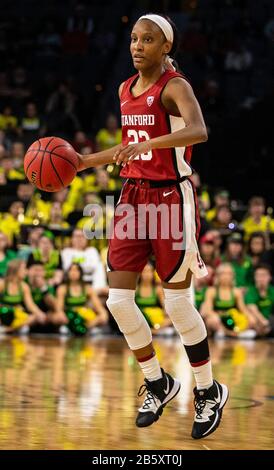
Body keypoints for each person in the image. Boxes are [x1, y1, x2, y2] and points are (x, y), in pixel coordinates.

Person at [77, 13, 228, 439]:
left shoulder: (175, 86)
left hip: (170, 199)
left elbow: (198, 131)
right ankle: (158, 382)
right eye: (133, 39)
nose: (137, 45)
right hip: (132, 197)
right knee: (118, 301)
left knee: (177, 305)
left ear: (166, 48)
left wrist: (147, 144)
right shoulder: (125, 89)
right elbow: (129, 148)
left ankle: (207, 390)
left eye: (148, 39)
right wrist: (84, 162)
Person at [201, 263, 256, 337]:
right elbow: (208, 310)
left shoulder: (236, 291)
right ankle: (228, 333)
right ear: (218, 276)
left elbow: (243, 309)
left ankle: (235, 333)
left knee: (252, 320)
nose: (226, 276)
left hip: (232, 319)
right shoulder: (211, 291)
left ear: (232, 276)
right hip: (218, 320)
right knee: (213, 319)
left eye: (229, 274)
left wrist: (250, 318)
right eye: (223, 273)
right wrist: (219, 317)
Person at [56, 263, 108, 336]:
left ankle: (88, 327)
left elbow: (99, 307)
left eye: (76, 270)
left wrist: (97, 319)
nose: (74, 273)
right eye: (71, 270)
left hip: (83, 316)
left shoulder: (87, 288)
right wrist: (62, 316)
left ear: (81, 273)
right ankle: (68, 328)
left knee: (103, 317)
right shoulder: (63, 288)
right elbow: (59, 309)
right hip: (69, 316)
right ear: (68, 273)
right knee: (57, 317)